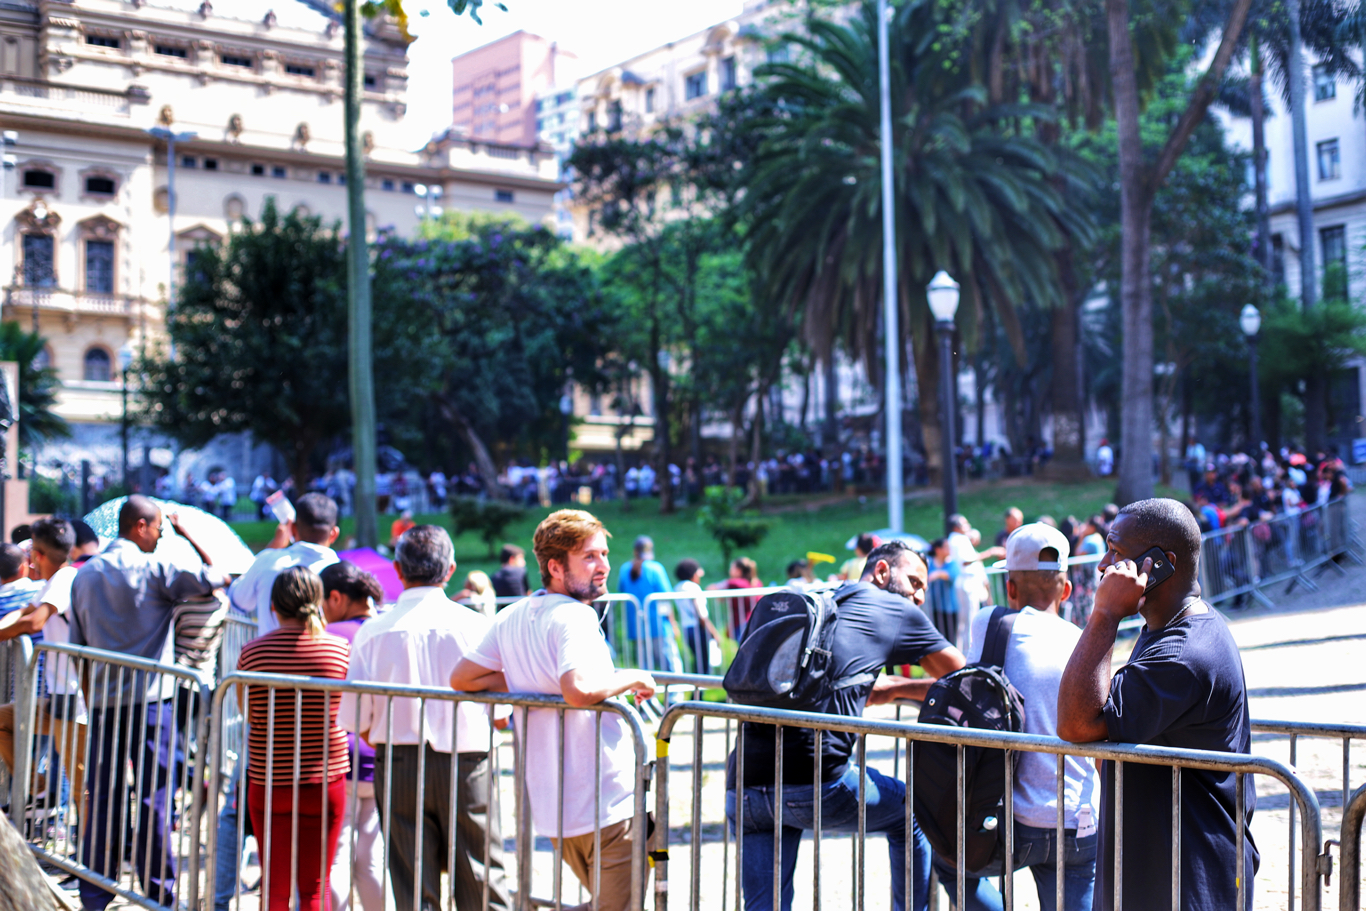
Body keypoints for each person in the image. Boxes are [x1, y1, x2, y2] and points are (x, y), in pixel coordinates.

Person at [726, 539, 967, 911]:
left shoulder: (821, 598)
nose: (920, 597)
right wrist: (901, 689)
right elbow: (962, 677)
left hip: (745, 782)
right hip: (815, 782)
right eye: (916, 583)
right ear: (883, 572)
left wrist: (886, 688)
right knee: (912, 813)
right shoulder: (893, 608)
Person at [450, 509, 657, 911]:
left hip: (559, 809)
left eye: (604, 554)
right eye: (590, 557)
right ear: (555, 567)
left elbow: (464, 678)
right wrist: (634, 677)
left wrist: (528, 683)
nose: (604, 566)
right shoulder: (574, 616)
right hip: (608, 803)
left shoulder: (512, 616)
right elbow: (578, 690)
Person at [1057, 498, 1258, 911]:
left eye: (1117, 553)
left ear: (1161, 564)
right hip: (1164, 872)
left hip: (1187, 880)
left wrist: (1106, 613)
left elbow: (1076, 724)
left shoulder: (1183, 652)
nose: (1103, 566)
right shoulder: (1170, 629)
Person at [69, 496, 230, 911]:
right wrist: (189, 534)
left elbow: (78, 651)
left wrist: (93, 699)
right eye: (159, 528)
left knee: (102, 797)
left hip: (105, 703)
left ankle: (94, 893)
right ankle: (159, 894)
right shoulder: (156, 568)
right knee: (154, 800)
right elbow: (217, 577)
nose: (160, 536)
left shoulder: (84, 577)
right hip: (152, 704)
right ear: (141, 525)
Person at [339, 526, 511, 911]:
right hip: (468, 762)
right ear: (450, 569)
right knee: (482, 876)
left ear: (398, 570)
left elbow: (358, 719)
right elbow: (501, 714)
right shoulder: (476, 628)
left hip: (399, 762)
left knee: (412, 882)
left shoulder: (372, 632)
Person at [945, 524, 1100, 911]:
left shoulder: (988, 624)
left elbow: (971, 691)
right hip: (1078, 819)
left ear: (1010, 589)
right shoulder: (1086, 641)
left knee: (948, 861)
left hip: (1012, 821)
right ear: (1065, 590)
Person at [236, 567, 351, 911]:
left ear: (273, 606)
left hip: (269, 779)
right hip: (324, 781)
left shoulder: (252, 654)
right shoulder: (339, 651)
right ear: (318, 603)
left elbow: (249, 713)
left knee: (274, 888)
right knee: (316, 887)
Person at [0, 519, 86, 828]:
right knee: (2, 721)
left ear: (36, 554)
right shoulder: (54, 581)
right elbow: (23, 613)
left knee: (80, 788)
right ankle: (39, 789)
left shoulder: (66, 578)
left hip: (75, 701)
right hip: (57, 696)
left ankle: (93, 865)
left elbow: (33, 622)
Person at [320, 562, 393, 911]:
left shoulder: (329, 637)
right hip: (382, 754)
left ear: (336, 598)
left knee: (336, 855)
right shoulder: (386, 630)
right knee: (372, 856)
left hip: (338, 755)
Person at [229, 492, 340, 639]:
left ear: (293, 528)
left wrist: (273, 547)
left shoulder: (267, 561)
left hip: (268, 658)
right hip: (327, 658)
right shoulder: (342, 572)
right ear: (334, 534)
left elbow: (238, 600)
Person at [616, 535, 676, 670]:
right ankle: (676, 691)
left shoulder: (624, 569)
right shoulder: (655, 568)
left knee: (644, 669)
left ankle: (648, 692)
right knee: (671, 666)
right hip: (658, 626)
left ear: (634, 551)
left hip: (636, 627)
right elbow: (665, 598)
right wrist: (672, 623)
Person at [673, 559, 720, 675]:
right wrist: (713, 632)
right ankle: (698, 692)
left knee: (697, 661)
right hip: (698, 628)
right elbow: (700, 613)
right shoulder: (693, 588)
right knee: (703, 664)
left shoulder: (677, 587)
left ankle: (696, 692)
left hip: (686, 628)